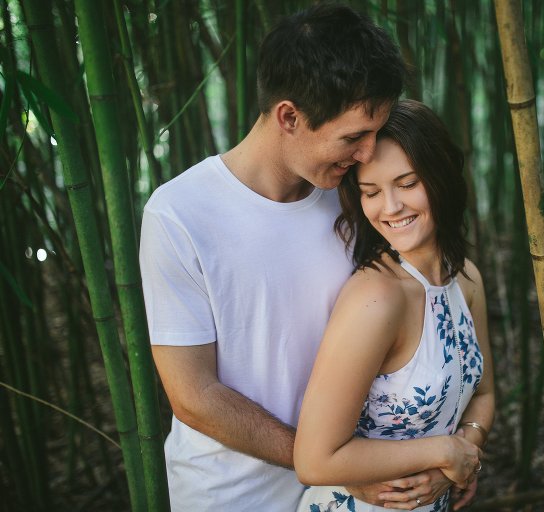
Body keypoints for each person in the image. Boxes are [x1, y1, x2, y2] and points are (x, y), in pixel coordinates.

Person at [137, 4, 429, 510]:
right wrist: (323, 461)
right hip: (231, 495)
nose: (367, 154)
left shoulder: (356, 198)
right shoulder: (179, 213)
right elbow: (194, 396)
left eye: (374, 134)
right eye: (353, 136)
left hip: (348, 491)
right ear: (288, 116)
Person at [294, 99, 496, 512]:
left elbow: (484, 393)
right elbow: (314, 459)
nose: (390, 207)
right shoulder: (377, 298)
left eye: (407, 183)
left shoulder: (467, 279)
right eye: (371, 191)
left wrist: (463, 456)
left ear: (440, 177)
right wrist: (443, 451)